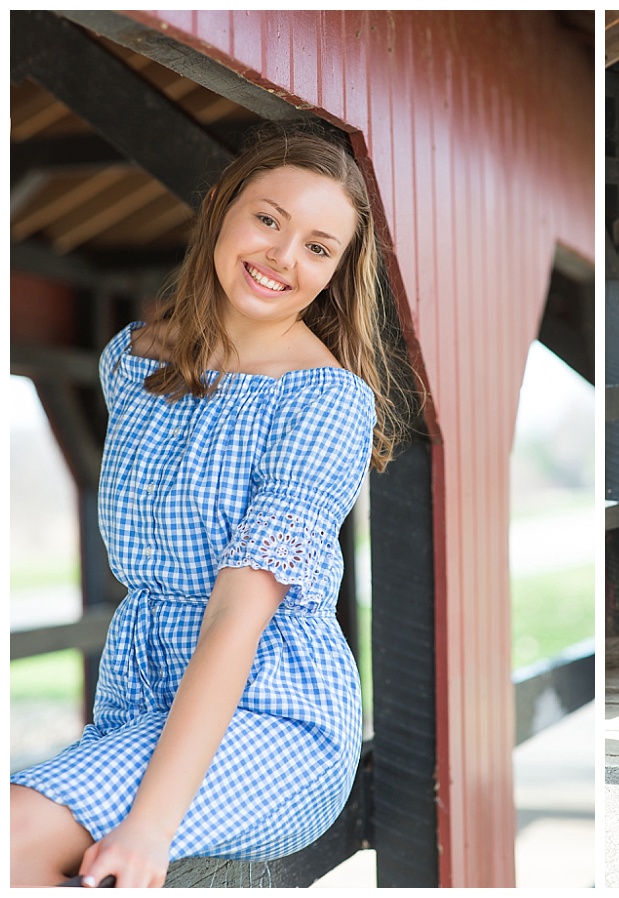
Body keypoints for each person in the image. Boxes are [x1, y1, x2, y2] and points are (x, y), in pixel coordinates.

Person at [10, 126, 417, 886]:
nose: (283, 257)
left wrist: (147, 831)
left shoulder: (327, 402)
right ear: (221, 208)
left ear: (334, 273)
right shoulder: (132, 360)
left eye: (318, 248)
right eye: (269, 219)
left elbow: (237, 616)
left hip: (276, 717)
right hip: (140, 698)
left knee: (18, 831)